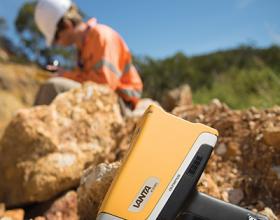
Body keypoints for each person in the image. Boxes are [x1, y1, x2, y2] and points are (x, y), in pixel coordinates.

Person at [34, 0, 143, 113]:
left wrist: (65, 76)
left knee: (52, 87)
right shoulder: (81, 50)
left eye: (56, 38)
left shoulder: (102, 36)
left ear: (67, 25)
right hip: (108, 98)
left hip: (123, 103)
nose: (57, 43)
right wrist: (64, 75)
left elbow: (105, 86)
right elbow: (85, 80)